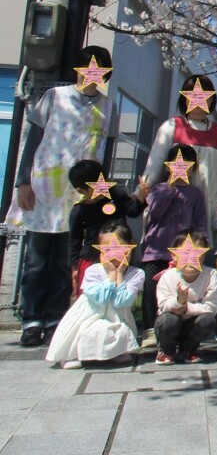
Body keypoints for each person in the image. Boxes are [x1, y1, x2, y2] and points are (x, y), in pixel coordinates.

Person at [8, 45, 120, 347]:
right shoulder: (55, 98)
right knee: (37, 257)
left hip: (79, 195)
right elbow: (32, 140)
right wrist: (23, 183)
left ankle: (56, 318)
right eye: (90, 67)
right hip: (45, 189)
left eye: (102, 69)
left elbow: (105, 153)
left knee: (64, 258)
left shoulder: (108, 107)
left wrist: (100, 192)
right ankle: (32, 319)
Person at [143, 73, 217, 228]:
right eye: (193, 94)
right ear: (184, 98)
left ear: (212, 99)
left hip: (206, 204)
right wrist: (144, 190)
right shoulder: (172, 126)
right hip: (173, 204)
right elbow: (155, 164)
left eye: (205, 95)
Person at [45, 221, 143, 369]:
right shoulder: (93, 271)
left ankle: (115, 352)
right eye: (107, 249)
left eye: (119, 247)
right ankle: (74, 353)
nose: (114, 254)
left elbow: (120, 302)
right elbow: (101, 299)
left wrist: (120, 275)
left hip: (118, 315)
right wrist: (111, 275)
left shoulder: (137, 274)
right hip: (91, 314)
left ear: (130, 246)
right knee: (95, 329)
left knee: (119, 331)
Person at [139, 145, 208, 348]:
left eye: (187, 164)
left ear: (193, 168)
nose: (182, 167)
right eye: (177, 163)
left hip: (183, 255)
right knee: (151, 288)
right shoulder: (159, 189)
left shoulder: (195, 194)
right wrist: (169, 187)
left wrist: (202, 245)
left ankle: (177, 328)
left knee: (180, 289)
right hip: (156, 250)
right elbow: (155, 212)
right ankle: (150, 330)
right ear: (168, 166)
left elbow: (201, 222)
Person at [67, 159, 146, 297]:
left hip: (118, 254)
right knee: (90, 294)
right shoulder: (79, 210)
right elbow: (74, 241)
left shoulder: (116, 195)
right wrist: (74, 267)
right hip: (91, 257)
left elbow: (132, 211)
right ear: (81, 190)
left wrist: (142, 198)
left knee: (118, 290)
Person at [154, 230, 217, 364]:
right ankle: (166, 350)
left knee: (208, 319)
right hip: (171, 321)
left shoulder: (211, 275)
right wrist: (178, 301)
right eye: (186, 253)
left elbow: (212, 307)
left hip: (193, 323)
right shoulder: (168, 276)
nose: (191, 257)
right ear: (174, 255)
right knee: (168, 320)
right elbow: (163, 305)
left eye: (197, 252)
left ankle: (189, 349)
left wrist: (185, 307)